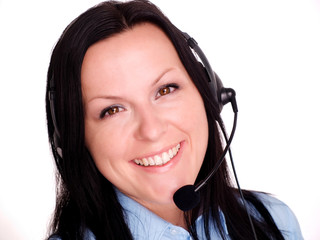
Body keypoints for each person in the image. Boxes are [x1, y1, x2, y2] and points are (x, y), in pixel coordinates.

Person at [46, 0, 303, 239]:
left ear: (208, 94)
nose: (152, 129)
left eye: (165, 90)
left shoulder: (274, 223)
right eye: (113, 110)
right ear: (75, 137)